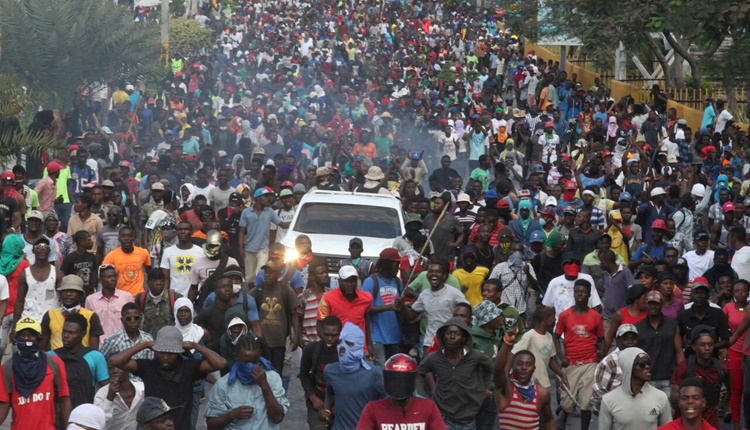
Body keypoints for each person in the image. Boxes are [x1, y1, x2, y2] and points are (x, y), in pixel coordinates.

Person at [109, 325, 227, 430]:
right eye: (162, 352)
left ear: (178, 353)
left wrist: (194, 345)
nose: (166, 357)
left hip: (182, 425)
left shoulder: (189, 367)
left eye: (171, 353)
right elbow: (115, 361)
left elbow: (220, 363)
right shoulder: (148, 367)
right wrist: (145, 345)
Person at [419, 317, 494, 429]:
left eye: (457, 334)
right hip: (444, 417)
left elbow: (490, 367)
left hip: (468, 418)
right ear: (443, 336)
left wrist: (482, 387)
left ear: (464, 338)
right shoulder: (434, 358)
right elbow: (419, 373)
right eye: (448, 333)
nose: (452, 337)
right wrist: (429, 394)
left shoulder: (475, 356)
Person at [0, 317, 72, 429]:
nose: (27, 339)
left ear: (38, 337)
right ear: (16, 338)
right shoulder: (7, 368)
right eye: (23, 335)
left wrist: (70, 427)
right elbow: (4, 403)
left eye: (31, 335)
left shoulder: (54, 363)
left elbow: (64, 398)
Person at [205, 334, 289, 429]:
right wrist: (231, 415)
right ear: (235, 357)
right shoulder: (223, 385)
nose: (251, 366)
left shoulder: (272, 378)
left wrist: (265, 387)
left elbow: (278, 417)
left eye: (254, 361)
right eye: (246, 362)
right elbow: (211, 425)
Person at [553, 278, 604, 430]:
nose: (580, 294)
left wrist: (600, 356)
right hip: (571, 363)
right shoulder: (565, 315)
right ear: (574, 293)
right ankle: (563, 413)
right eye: (577, 292)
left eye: (583, 292)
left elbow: (601, 339)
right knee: (568, 402)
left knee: (586, 403)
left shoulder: (595, 316)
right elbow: (555, 337)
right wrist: (561, 357)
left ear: (589, 295)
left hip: (589, 362)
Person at [357, 353, 446, 430]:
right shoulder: (373, 409)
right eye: (394, 380)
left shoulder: (428, 407)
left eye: (403, 380)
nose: (399, 385)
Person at [323, 322, 386, 430]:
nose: (343, 347)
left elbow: (389, 402)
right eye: (340, 342)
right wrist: (327, 410)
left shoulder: (374, 374)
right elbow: (330, 391)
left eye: (349, 344)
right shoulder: (330, 371)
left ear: (358, 346)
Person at [496, 325, 556, 430]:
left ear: (534, 369)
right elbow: (498, 370)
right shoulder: (507, 388)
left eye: (528, 364)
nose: (524, 368)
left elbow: (549, 421)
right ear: (513, 367)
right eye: (519, 364)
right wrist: (507, 343)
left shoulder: (542, 394)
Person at [404, 261, 470, 353]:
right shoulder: (424, 294)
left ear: (444, 276)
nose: (433, 274)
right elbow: (411, 315)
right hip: (430, 342)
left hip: (449, 342)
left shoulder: (454, 293)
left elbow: (467, 310)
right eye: (431, 271)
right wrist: (402, 307)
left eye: (437, 272)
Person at [599, 348, 672, 429]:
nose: (647, 367)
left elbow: (669, 428)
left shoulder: (660, 397)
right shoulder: (608, 400)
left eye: (648, 363)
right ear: (629, 367)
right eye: (642, 364)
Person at [671, 326, 728, 428]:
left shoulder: (721, 368)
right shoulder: (684, 367)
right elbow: (674, 397)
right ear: (694, 346)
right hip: (687, 419)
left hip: (711, 420)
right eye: (702, 345)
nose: (707, 348)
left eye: (710, 344)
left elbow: (730, 392)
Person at [49, 313, 109, 408]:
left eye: (71, 333)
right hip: (57, 411)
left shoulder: (95, 356)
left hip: (87, 411)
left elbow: (105, 389)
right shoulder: (51, 356)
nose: (66, 335)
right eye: (64, 331)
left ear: (83, 334)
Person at [360, 248, 404, 366]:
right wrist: (389, 307)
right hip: (376, 336)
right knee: (380, 369)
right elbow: (365, 309)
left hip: (394, 336)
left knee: (393, 369)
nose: (398, 267)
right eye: (396, 264)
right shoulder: (370, 282)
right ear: (386, 265)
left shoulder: (398, 282)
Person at [636, 291, 685, 396]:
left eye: (656, 304)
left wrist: (680, 375)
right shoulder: (638, 327)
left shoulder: (672, 325)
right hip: (647, 379)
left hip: (669, 379)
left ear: (661, 304)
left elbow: (679, 351)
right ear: (645, 305)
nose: (653, 307)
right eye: (650, 303)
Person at [318, 265, 373, 354]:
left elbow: (366, 320)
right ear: (339, 281)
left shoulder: (366, 298)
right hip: (336, 349)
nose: (349, 284)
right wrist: (329, 345)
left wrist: (369, 345)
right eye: (346, 281)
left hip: (358, 349)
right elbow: (320, 324)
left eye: (352, 281)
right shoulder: (328, 298)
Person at [239, 186, 291, 282]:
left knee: (261, 274)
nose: (268, 198)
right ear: (258, 198)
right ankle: (252, 291)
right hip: (249, 248)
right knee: (249, 277)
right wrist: (241, 248)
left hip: (263, 248)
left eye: (268, 196)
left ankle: (260, 291)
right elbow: (242, 231)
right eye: (265, 196)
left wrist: (297, 221)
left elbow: (283, 225)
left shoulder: (270, 212)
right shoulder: (246, 212)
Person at [299, 316, 342, 430]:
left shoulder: (344, 352)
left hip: (339, 403)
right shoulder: (311, 350)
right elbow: (303, 374)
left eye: (334, 335)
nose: (329, 338)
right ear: (320, 332)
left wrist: (342, 404)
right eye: (326, 335)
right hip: (318, 402)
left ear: (340, 334)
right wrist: (312, 397)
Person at [41, 274, 104, 351]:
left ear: (81, 295)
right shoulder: (50, 315)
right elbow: (42, 346)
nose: (68, 294)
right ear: (60, 294)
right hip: (56, 357)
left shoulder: (91, 316)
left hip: (82, 357)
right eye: (65, 291)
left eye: (73, 291)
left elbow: (94, 350)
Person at [511, 305, 567, 390]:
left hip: (543, 382)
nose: (555, 320)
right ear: (545, 319)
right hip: (530, 383)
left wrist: (561, 374)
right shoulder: (529, 336)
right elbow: (514, 353)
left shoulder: (549, 337)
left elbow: (550, 360)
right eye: (553, 318)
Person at [591, 324, 639, 413]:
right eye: (625, 338)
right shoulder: (610, 361)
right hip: (611, 408)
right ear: (618, 340)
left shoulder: (640, 358)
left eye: (633, 338)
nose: (630, 342)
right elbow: (599, 389)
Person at [14, 237, 63, 323]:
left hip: (51, 319)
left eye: (46, 246)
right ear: (33, 250)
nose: (42, 249)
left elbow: (62, 299)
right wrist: (15, 324)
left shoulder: (58, 274)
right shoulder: (24, 274)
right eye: (39, 246)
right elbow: (19, 302)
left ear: (49, 250)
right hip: (29, 320)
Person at [542, 252, 601, 320]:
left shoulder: (587, 279)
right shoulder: (554, 283)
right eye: (570, 262)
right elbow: (547, 307)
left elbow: (596, 305)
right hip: (562, 324)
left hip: (584, 323)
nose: (573, 265)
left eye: (576, 262)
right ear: (562, 266)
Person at [85, 265, 134, 342]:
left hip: (122, 344)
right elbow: (88, 325)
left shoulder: (127, 297)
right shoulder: (91, 300)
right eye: (109, 277)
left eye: (114, 276)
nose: (113, 279)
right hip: (100, 344)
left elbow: (133, 321)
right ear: (100, 280)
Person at [102, 227, 152, 298]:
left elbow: (149, 271)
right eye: (123, 236)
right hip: (120, 297)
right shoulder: (111, 256)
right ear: (119, 238)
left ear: (134, 238)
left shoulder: (143, 253)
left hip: (139, 296)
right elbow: (104, 274)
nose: (126, 238)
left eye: (129, 236)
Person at [93, 362, 144, 430]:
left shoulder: (142, 389)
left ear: (128, 368)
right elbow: (98, 422)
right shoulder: (102, 394)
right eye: (111, 368)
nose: (115, 371)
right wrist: (110, 397)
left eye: (119, 367)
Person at [159, 221, 203, 297]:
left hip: (196, 296)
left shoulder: (201, 252)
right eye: (180, 229)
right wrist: (166, 297)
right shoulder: (168, 252)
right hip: (174, 296)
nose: (183, 232)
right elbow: (166, 279)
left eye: (186, 229)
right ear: (176, 232)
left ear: (192, 232)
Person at [135, 268, 181, 337]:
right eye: (154, 280)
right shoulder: (141, 298)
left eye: (161, 280)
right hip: (148, 340)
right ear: (148, 282)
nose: (158, 283)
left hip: (169, 339)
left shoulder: (174, 297)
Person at [61, 231, 98, 295]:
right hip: (75, 291)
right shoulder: (69, 258)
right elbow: (64, 275)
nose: (91, 242)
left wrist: (93, 288)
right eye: (89, 239)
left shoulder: (92, 257)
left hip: (88, 291)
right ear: (81, 241)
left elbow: (93, 274)